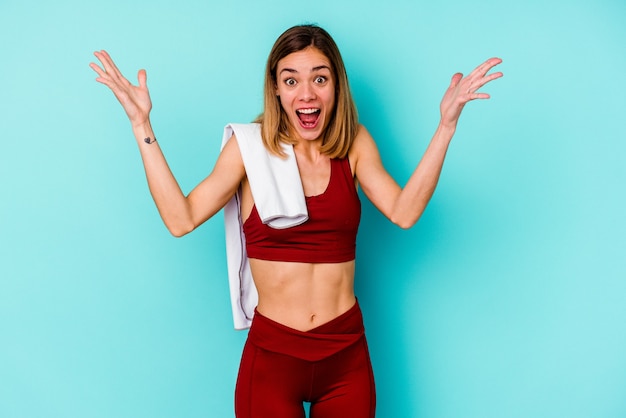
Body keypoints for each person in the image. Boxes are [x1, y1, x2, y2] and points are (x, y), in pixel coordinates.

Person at [90, 24, 502, 418]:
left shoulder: (353, 144)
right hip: (273, 358)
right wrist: (141, 125)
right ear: (276, 89)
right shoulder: (247, 149)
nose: (306, 92)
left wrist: (446, 126)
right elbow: (181, 219)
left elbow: (404, 211)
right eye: (291, 80)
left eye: (319, 79)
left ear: (336, 85)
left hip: (346, 355)